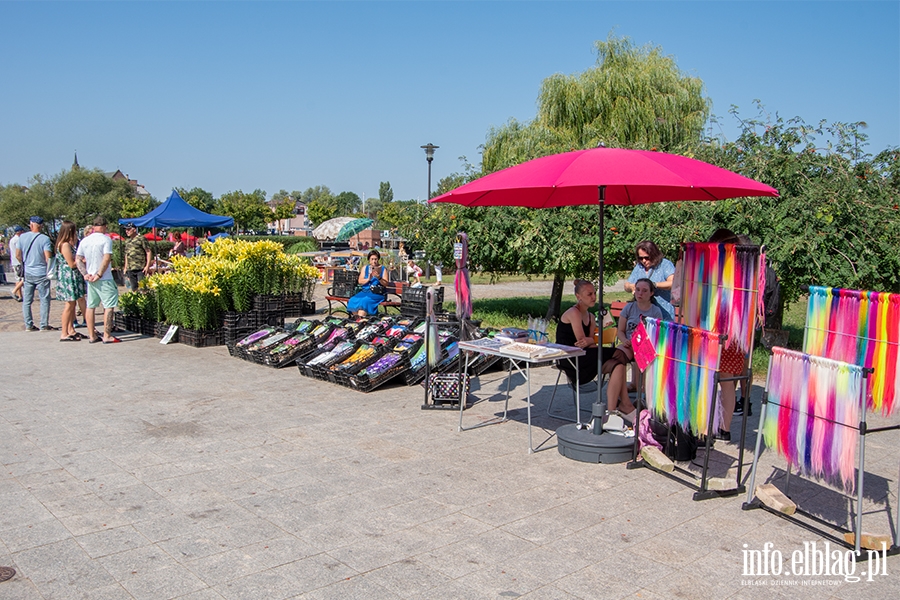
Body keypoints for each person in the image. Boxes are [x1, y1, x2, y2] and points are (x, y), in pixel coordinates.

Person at [603, 278, 663, 425]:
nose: (640, 293)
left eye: (644, 290)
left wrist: (643, 344)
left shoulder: (655, 311)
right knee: (617, 357)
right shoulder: (629, 308)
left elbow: (658, 335)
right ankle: (620, 402)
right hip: (630, 344)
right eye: (637, 289)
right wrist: (625, 341)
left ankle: (627, 401)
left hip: (646, 346)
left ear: (651, 293)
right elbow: (621, 331)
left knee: (639, 360)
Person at [76, 216, 121, 344]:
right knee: (109, 306)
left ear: (94, 227)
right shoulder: (106, 239)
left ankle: (92, 335)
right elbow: (106, 258)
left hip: (90, 278)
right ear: (105, 226)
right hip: (104, 277)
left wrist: (85, 274)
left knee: (91, 306)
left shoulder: (85, 241)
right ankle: (107, 335)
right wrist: (99, 274)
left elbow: (78, 259)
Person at [556, 279, 601, 386]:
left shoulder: (591, 317)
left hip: (583, 354)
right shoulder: (574, 312)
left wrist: (592, 340)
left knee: (618, 363)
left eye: (594, 293)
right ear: (578, 296)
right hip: (569, 357)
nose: (594, 297)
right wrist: (593, 340)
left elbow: (589, 344)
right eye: (590, 294)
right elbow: (582, 341)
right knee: (617, 355)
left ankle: (623, 401)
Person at [16, 216, 56, 331]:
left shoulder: (22, 237)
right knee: (44, 299)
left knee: (27, 300)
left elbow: (18, 255)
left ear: (31, 224)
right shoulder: (44, 239)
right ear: (41, 226)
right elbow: (48, 257)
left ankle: (28, 324)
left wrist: (24, 263)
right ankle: (44, 324)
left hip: (28, 272)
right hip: (42, 272)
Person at [623, 241, 676, 320]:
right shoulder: (639, 267)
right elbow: (626, 285)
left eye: (647, 257)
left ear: (654, 255)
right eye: (641, 258)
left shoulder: (665, 264)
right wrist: (631, 287)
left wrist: (653, 285)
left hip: (664, 313)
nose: (644, 261)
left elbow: (673, 283)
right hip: (642, 314)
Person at [55, 221, 87, 341]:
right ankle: (64, 332)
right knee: (69, 305)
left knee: (72, 304)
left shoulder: (68, 244)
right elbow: (71, 264)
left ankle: (71, 330)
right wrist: (82, 261)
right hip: (69, 276)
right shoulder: (64, 245)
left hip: (72, 276)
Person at [347, 249, 388, 317]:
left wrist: (379, 278)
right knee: (352, 300)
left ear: (378, 259)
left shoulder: (383, 269)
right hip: (365, 291)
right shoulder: (365, 268)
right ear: (369, 259)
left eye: (375, 259)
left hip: (377, 293)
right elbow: (360, 281)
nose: (374, 261)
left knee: (364, 302)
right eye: (372, 259)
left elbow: (386, 283)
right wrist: (368, 279)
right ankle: (359, 320)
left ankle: (360, 321)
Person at [122, 222, 151, 291]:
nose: (127, 231)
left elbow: (148, 252)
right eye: (126, 230)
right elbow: (126, 254)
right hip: (130, 268)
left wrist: (147, 266)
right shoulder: (127, 241)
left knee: (142, 288)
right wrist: (125, 267)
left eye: (129, 229)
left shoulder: (141, 238)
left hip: (140, 267)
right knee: (134, 288)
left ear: (134, 229)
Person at [8, 225, 24, 302]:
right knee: (24, 279)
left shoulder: (11, 240)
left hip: (14, 261)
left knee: (17, 278)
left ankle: (20, 295)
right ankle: (14, 291)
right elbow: (19, 252)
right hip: (19, 262)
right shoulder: (18, 240)